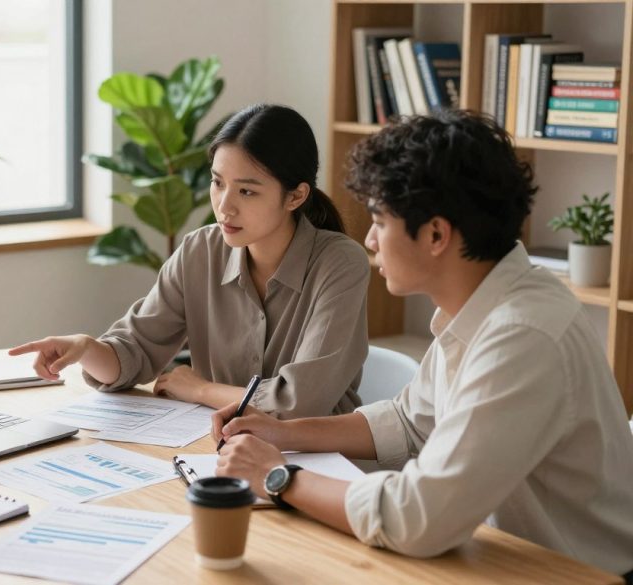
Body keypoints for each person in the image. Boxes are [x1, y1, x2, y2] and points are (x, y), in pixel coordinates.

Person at [212, 109, 633, 580]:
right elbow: (410, 424)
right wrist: (281, 433)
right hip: (495, 557)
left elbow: (419, 519)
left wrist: (280, 477)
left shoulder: (521, 336)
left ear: (435, 234)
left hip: (569, 574)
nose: (369, 240)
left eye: (379, 221)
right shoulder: (482, 304)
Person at [10, 104, 370, 418]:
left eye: (246, 191)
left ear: (295, 196)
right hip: (219, 447)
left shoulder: (340, 264)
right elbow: (134, 351)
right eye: (217, 183)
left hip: (316, 461)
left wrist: (201, 390)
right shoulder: (200, 251)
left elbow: (298, 404)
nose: (224, 206)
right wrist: (87, 349)